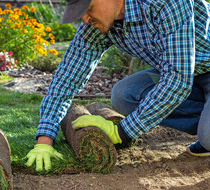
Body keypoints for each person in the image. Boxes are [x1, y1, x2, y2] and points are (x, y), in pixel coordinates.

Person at [25, 0, 210, 172]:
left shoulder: (164, 3)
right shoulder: (97, 25)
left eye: (88, 9)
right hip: (189, 74)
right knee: (124, 94)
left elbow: (177, 79)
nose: (85, 19)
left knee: (207, 135)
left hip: (194, 71)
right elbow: (67, 77)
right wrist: (44, 140)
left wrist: (121, 131)